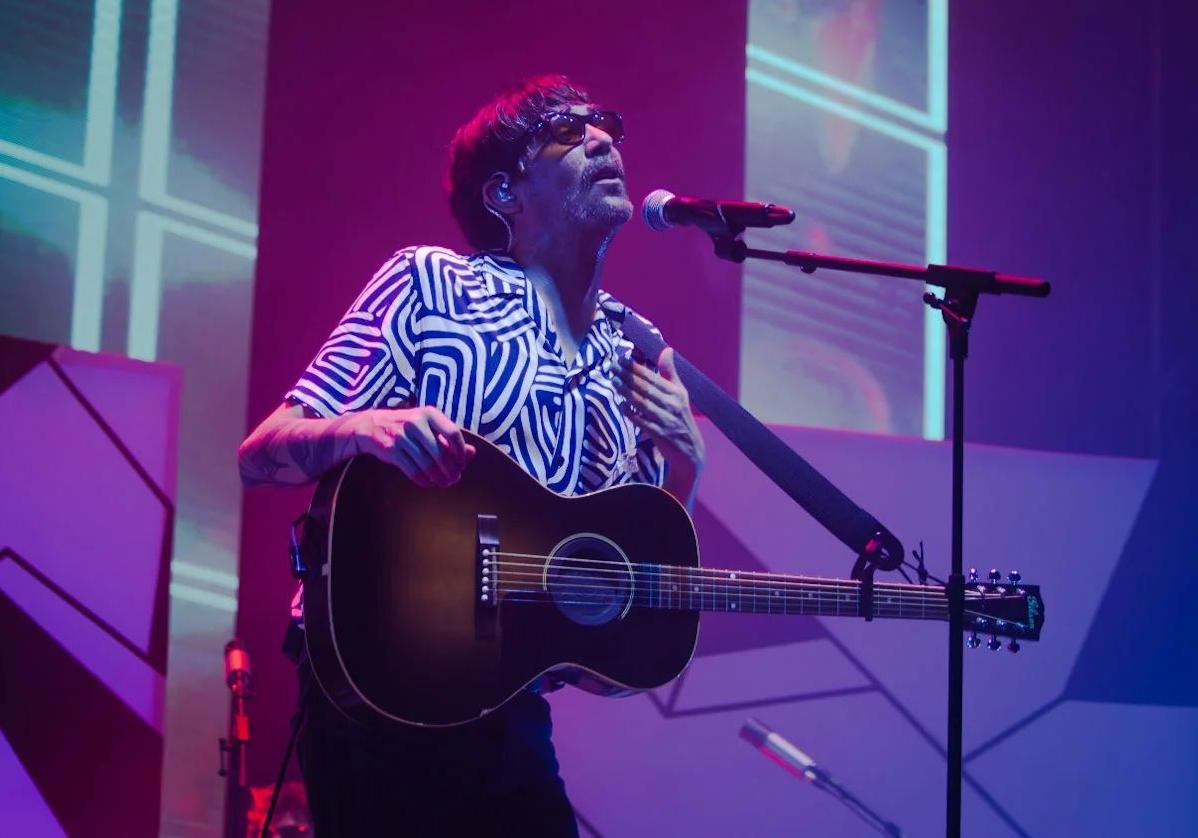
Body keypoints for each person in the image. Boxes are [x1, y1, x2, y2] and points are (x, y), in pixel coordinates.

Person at [238, 74, 705, 836]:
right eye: (566, 131)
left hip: (503, 704)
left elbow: (614, 586)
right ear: (503, 193)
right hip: (374, 675)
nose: (603, 140)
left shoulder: (632, 355)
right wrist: (365, 429)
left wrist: (683, 469)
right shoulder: (431, 284)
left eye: (606, 126)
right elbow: (260, 455)